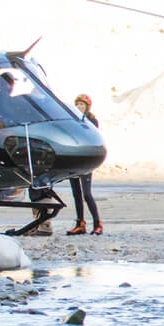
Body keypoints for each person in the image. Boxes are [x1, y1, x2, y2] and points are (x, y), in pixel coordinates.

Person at [67, 93, 102, 235]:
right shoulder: (70, 120)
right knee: (76, 194)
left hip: (85, 160)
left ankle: (97, 223)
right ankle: (80, 223)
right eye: (78, 104)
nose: (79, 107)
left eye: (82, 105)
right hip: (74, 160)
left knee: (87, 194)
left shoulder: (92, 121)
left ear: (87, 107)